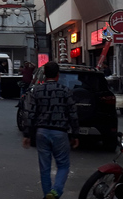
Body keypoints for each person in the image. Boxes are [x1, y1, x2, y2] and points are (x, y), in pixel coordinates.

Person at [22, 61, 79, 199]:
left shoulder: (37, 91)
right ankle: (56, 191)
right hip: (60, 132)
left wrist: (27, 134)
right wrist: (75, 134)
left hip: (41, 132)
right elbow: (72, 114)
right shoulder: (65, 91)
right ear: (58, 75)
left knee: (44, 167)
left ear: (45, 75)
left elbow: (30, 113)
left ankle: (47, 194)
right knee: (63, 165)